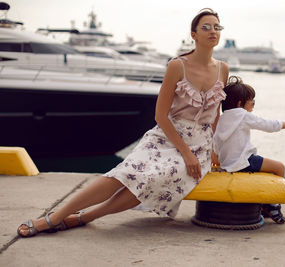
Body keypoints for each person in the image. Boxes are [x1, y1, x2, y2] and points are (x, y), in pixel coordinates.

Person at [17, 8, 229, 237]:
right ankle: (54, 218)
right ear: (194, 34)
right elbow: (160, 115)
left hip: (201, 146)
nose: (212, 32)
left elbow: (216, 114)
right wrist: (185, 153)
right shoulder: (178, 66)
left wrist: (214, 148)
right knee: (125, 173)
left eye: (217, 27)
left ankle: (84, 217)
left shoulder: (222, 69)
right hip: (168, 137)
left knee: (149, 183)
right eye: (206, 27)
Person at [213, 76, 285, 224]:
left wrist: (216, 157)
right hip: (244, 161)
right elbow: (266, 124)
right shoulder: (242, 115)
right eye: (252, 102)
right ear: (240, 103)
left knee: (266, 167)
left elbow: (216, 141)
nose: (253, 105)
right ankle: (274, 205)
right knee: (279, 167)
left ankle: (267, 205)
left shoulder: (222, 119)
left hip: (228, 163)